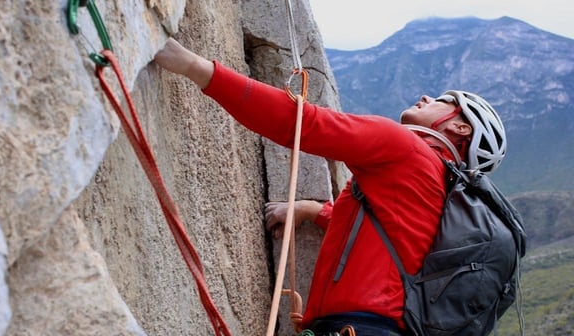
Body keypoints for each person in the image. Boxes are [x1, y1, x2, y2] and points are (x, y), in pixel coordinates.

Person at [153, 38, 507, 336]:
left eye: (444, 101)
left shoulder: (406, 149)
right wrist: (313, 210)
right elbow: (385, 228)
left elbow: (300, 123)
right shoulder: (440, 189)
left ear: (460, 128)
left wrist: (194, 67)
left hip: (354, 327)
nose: (429, 97)